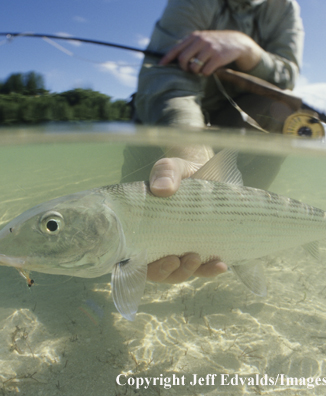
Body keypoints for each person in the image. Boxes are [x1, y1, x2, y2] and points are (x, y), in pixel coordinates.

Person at [122, 0, 305, 284]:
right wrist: (193, 156)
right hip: (170, 113)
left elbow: (287, 76)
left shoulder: (285, 7)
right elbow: (163, 78)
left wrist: (247, 49)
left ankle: (238, 232)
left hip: (237, 113)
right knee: (132, 232)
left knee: (287, 112)